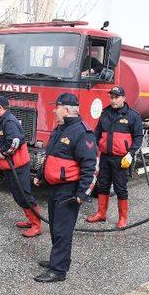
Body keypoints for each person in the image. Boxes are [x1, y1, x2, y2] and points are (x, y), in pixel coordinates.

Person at [33, 93, 98, 282]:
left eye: (57, 107)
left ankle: (58, 270)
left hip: (68, 190)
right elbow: (50, 155)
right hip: (54, 187)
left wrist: (83, 192)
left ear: (67, 110)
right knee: (55, 227)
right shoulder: (60, 128)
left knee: (62, 230)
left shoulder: (82, 132)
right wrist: (40, 175)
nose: (54, 110)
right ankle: (59, 259)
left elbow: (90, 165)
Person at [0, 95, 42, 237]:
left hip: (18, 165)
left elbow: (14, 142)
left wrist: (3, 153)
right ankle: (30, 219)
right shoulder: (1, 122)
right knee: (18, 195)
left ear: (0, 108)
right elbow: (0, 143)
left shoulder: (9, 122)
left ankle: (36, 225)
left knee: (24, 195)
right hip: (11, 166)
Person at [86, 86, 143, 228]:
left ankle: (123, 218)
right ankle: (101, 213)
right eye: (111, 97)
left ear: (123, 98)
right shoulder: (105, 114)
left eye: (116, 97)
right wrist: (91, 148)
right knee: (102, 185)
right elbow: (97, 133)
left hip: (121, 159)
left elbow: (138, 137)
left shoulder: (132, 116)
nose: (113, 100)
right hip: (105, 157)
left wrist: (131, 154)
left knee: (120, 188)